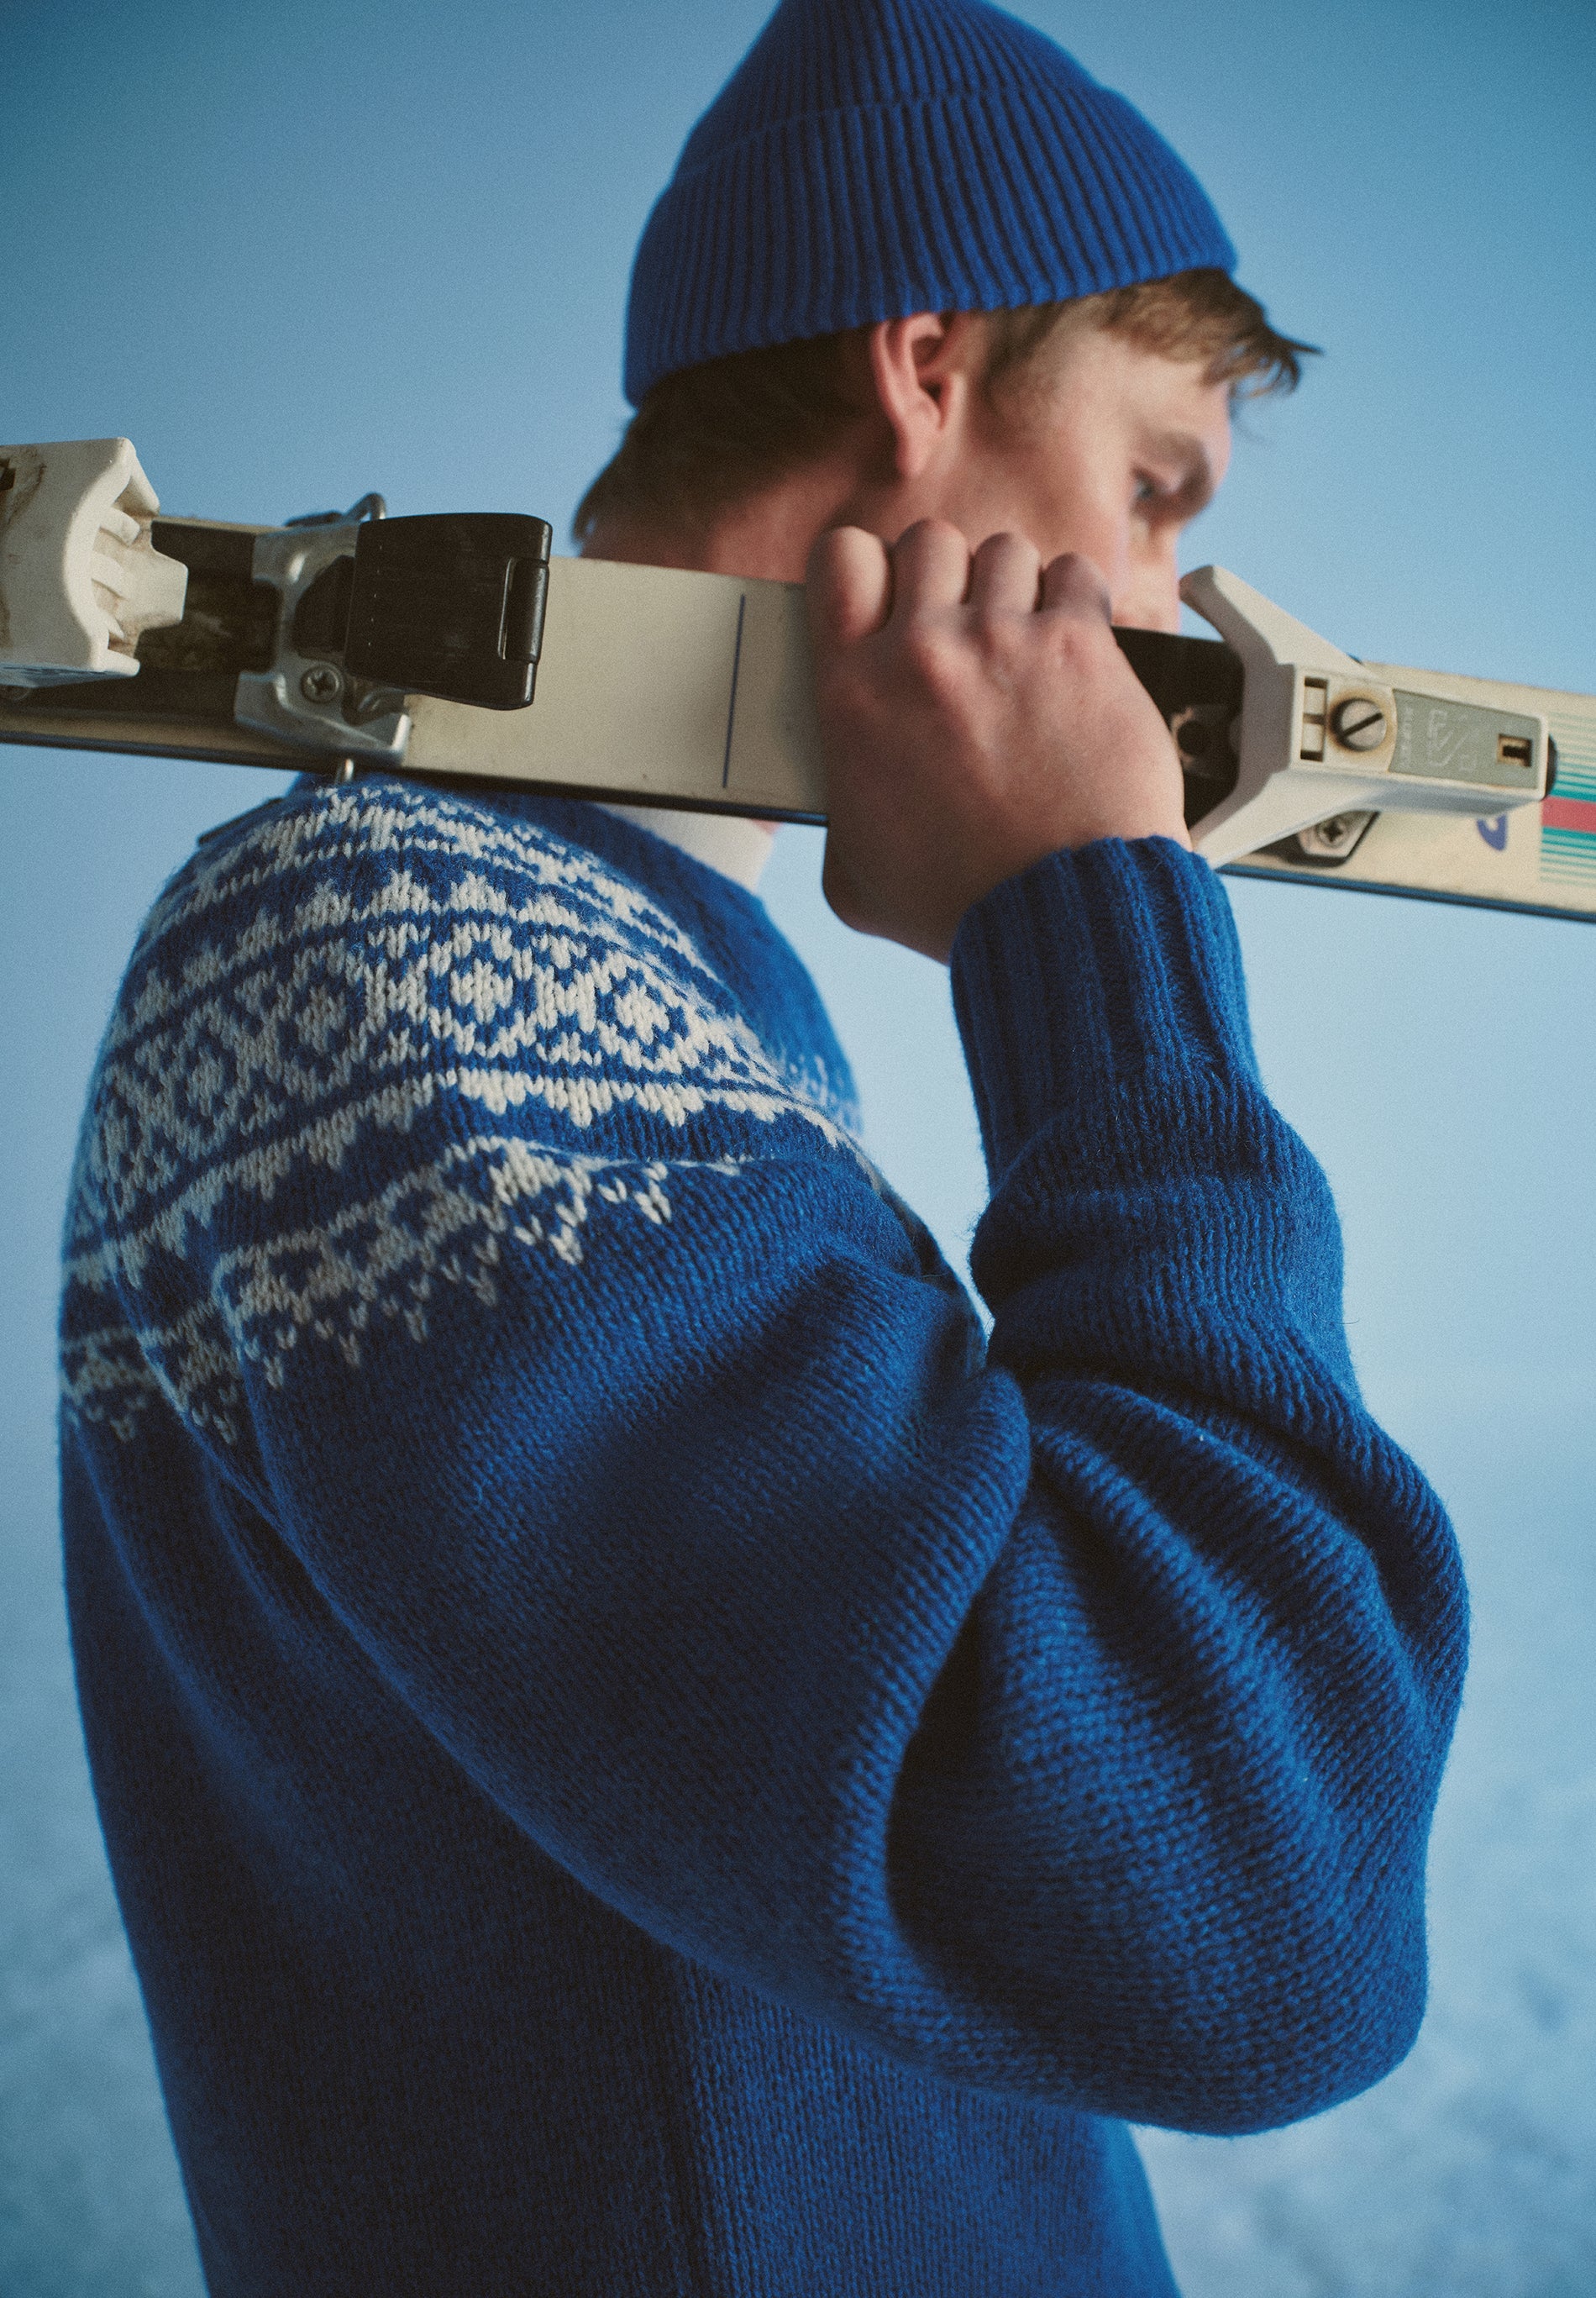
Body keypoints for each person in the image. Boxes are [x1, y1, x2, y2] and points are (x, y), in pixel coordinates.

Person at [57, 1, 1467, 2290]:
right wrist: (1087, 938)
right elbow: (1247, 1909)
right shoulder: (398, 939)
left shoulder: (628, 961)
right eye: (1152, 489)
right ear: (927, 364)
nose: (1160, 614)